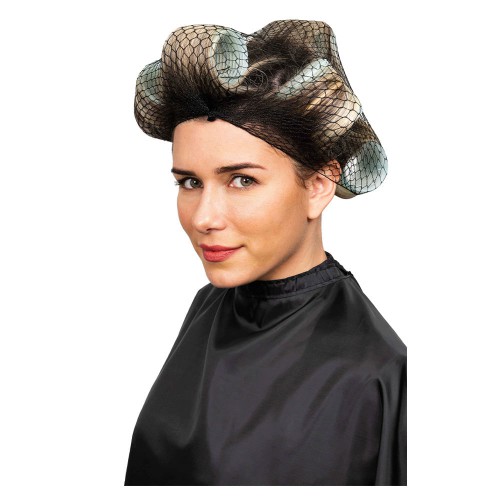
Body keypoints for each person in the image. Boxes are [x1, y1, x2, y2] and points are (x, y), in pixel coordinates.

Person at [124, 19, 406, 486]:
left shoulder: (374, 372)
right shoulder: (208, 306)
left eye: (242, 180)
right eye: (190, 182)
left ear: (319, 185)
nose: (204, 217)